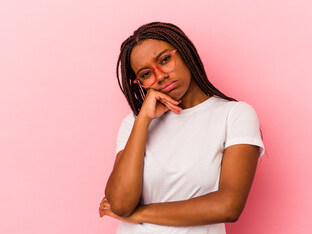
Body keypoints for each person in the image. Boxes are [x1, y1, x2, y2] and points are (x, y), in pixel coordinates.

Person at [99, 22, 265, 234]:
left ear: (185, 52)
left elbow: (228, 205)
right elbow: (121, 204)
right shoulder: (133, 123)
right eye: (146, 74)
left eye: (165, 60)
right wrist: (143, 121)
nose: (159, 76)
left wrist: (139, 214)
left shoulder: (234, 115)